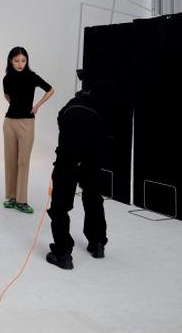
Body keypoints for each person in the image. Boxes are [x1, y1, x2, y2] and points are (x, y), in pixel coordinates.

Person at [45, 83, 114, 270]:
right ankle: (97, 244)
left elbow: (62, 128)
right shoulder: (102, 110)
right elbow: (107, 138)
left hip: (68, 157)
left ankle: (62, 254)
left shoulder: (70, 106)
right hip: (92, 158)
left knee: (60, 204)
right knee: (93, 196)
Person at [2, 46, 54, 214]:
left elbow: (50, 89)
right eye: (16, 60)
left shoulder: (32, 77)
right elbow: (7, 95)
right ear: (11, 61)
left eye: (23, 60)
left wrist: (37, 106)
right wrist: (14, 105)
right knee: (10, 159)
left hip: (27, 123)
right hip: (9, 122)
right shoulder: (7, 78)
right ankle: (11, 197)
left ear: (27, 61)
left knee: (23, 162)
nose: (20, 64)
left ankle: (21, 201)